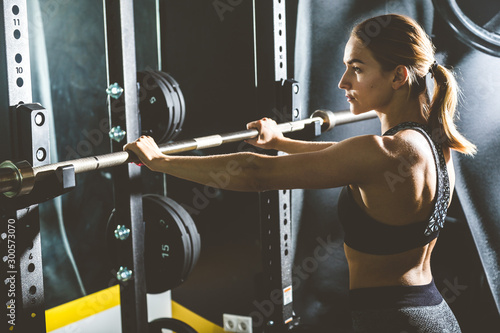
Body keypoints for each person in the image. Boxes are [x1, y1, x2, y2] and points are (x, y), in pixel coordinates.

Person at [125, 14, 475, 333]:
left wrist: (162, 162)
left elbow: (256, 172)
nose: (343, 82)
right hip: (433, 315)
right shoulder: (432, 144)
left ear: (398, 75)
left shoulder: (381, 150)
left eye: (357, 68)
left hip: (392, 323)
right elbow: (338, 157)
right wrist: (281, 140)